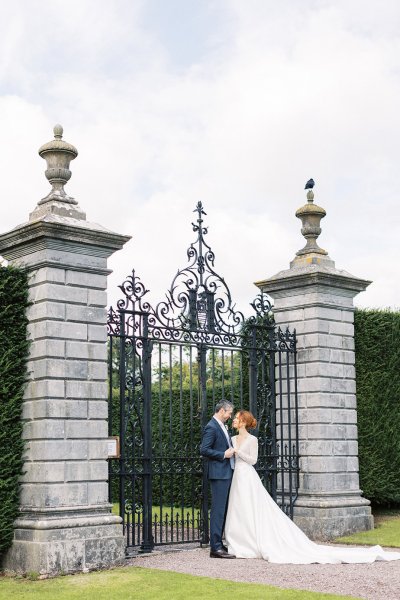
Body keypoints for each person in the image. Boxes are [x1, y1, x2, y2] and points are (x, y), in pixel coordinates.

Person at [225, 409, 400, 564]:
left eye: (236, 418)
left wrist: (238, 452)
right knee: (239, 508)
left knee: (251, 506)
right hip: (237, 476)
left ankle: (252, 542)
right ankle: (240, 540)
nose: (233, 420)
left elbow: (253, 460)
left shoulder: (252, 439)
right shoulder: (232, 438)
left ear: (244, 421)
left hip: (248, 475)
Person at [200, 400, 236, 558]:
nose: (230, 416)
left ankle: (219, 544)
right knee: (218, 511)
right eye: (229, 413)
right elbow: (204, 449)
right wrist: (223, 455)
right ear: (222, 410)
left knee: (223, 510)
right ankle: (215, 547)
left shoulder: (221, 425)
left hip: (226, 473)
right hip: (219, 474)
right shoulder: (211, 426)